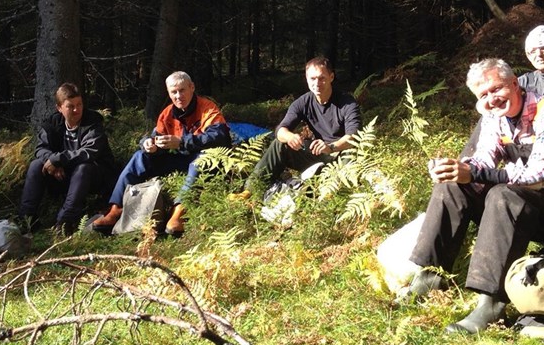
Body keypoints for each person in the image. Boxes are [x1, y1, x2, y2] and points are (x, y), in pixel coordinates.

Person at [404, 58, 544, 334]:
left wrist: (475, 175)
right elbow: (483, 161)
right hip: (529, 198)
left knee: (503, 195)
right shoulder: (493, 118)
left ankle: (491, 304)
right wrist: (457, 170)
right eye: (484, 95)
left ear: (515, 84)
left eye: (497, 89)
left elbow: (537, 176)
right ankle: (430, 276)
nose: (492, 99)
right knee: (452, 186)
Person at [93, 71, 231, 235]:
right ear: (169, 93)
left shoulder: (207, 108)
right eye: (174, 92)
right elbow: (154, 137)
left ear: (192, 87)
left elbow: (221, 137)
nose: (178, 96)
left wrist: (182, 142)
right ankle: (116, 209)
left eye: (182, 90)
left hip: (201, 161)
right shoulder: (167, 113)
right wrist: (148, 145)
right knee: (140, 156)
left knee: (199, 160)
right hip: (178, 160)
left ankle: (179, 212)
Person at [230, 56, 362, 198]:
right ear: (306, 78)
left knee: (351, 156)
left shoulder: (347, 103)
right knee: (279, 144)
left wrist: (331, 147)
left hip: (341, 152)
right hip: (317, 153)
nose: (317, 83)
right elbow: (280, 131)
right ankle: (250, 190)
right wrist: (290, 136)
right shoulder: (303, 102)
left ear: (331, 77)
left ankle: (330, 195)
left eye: (321, 78)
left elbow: (353, 137)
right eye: (312, 78)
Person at [460, 24, 544, 158]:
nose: (539, 55)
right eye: (532, 51)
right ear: (527, 55)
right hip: (535, 136)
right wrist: (489, 105)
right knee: (492, 112)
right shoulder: (525, 80)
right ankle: (466, 163)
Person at [18, 83, 117, 235]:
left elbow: (89, 152)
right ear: (60, 108)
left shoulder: (93, 122)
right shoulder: (52, 123)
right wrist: (51, 161)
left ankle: (65, 222)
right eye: (71, 106)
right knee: (36, 165)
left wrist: (58, 160)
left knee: (83, 167)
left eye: (79, 104)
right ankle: (26, 220)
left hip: (94, 177)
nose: (77, 110)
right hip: (64, 175)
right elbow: (40, 149)